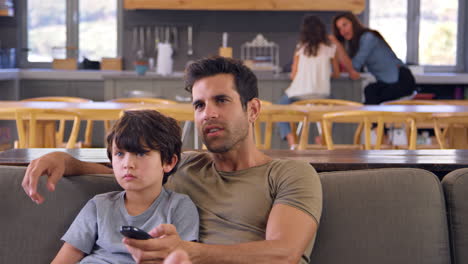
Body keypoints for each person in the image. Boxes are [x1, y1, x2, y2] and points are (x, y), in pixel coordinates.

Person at [22, 56, 322, 264]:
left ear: (253, 109)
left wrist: (189, 253)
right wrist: (66, 161)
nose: (208, 113)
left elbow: (284, 253)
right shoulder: (187, 166)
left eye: (221, 100)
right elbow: (128, 171)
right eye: (199, 105)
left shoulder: (290, 173)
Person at [52, 110, 199, 264]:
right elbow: (64, 259)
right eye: (120, 154)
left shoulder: (179, 207)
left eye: (141, 153)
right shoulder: (99, 205)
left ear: (168, 162)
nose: (128, 164)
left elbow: (184, 258)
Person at [278, 15, 359, 148]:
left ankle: (292, 140)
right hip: (322, 95)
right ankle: (323, 137)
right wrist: (324, 74)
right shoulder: (330, 47)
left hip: (298, 94)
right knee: (336, 111)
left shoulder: (301, 47)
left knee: (279, 108)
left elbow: (293, 74)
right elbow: (337, 73)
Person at [331, 12, 416, 105]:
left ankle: (369, 118)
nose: (343, 31)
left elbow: (354, 66)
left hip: (402, 79)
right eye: (339, 29)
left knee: (371, 94)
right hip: (389, 81)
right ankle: (370, 118)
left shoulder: (368, 38)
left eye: (345, 25)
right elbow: (352, 68)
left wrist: (338, 45)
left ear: (353, 23)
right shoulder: (356, 43)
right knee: (370, 91)